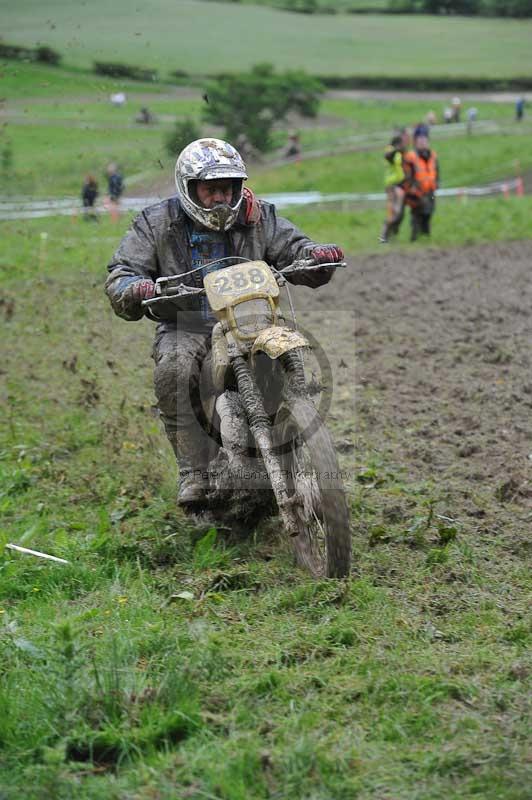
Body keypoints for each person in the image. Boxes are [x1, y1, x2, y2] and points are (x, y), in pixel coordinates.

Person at [105, 138, 345, 508]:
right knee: (174, 370)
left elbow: (295, 247)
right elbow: (122, 271)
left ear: (238, 187)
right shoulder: (156, 223)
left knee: (286, 358)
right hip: (186, 324)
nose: (219, 198)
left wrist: (316, 256)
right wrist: (133, 287)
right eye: (210, 189)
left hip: (252, 319)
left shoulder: (260, 217)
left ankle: (293, 440)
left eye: (226, 188)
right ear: (189, 189)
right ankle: (194, 471)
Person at [403, 131, 440, 242]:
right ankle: (414, 237)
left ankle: (426, 235)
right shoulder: (411, 156)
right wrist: (411, 188)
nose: (423, 143)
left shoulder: (432, 155)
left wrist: (438, 182)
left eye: (425, 141)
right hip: (417, 191)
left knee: (429, 212)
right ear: (415, 142)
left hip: (430, 190)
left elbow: (437, 170)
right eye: (420, 141)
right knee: (416, 214)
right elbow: (407, 173)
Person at [379, 135, 406, 244]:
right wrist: (396, 150)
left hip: (398, 184)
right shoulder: (390, 151)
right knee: (393, 213)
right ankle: (384, 237)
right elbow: (388, 156)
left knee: (397, 213)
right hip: (392, 185)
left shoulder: (398, 153)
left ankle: (388, 236)